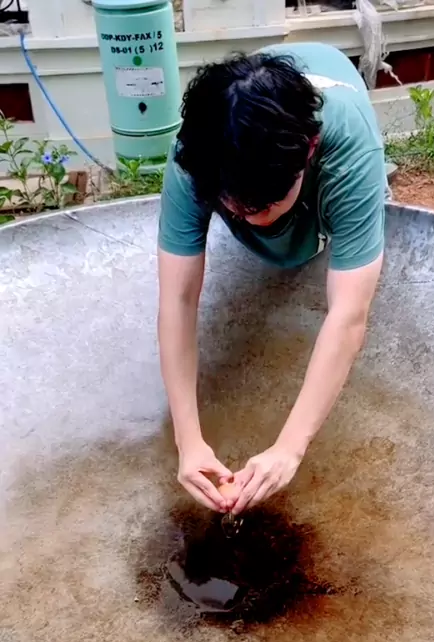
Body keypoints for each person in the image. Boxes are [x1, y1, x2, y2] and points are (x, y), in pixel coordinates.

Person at [157, 42, 386, 517]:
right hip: (248, 110)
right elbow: (177, 300)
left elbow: (348, 314)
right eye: (234, 208)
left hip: (325, 108)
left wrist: (289, 447)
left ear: (310, 150)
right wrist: (188, 441)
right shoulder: (194, 155)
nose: (249, 218)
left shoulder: (346, 146)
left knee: (341, 236)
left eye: (264, 205)